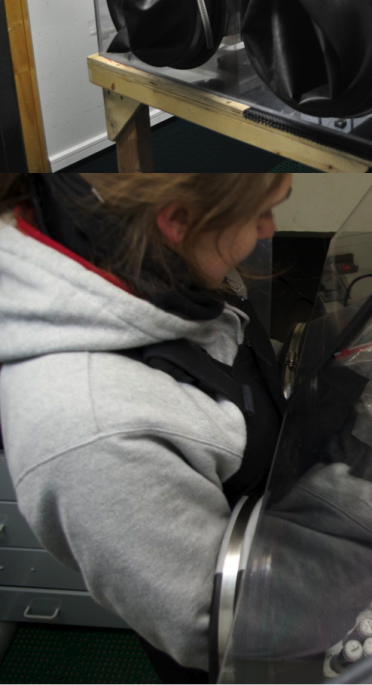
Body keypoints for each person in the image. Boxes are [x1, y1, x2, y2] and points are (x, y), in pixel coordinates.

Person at [0, 172, 293, 685]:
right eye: (258, 213)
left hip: (272, 542)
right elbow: (223, 627)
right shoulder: (89, 430)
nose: (268, 229)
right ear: (177, 220)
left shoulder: (163, 264)